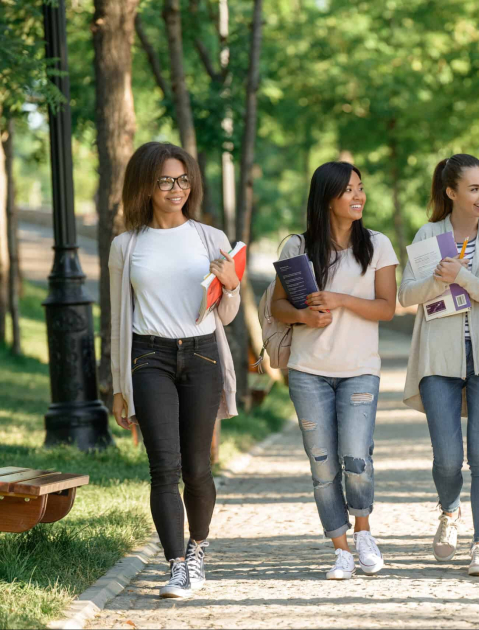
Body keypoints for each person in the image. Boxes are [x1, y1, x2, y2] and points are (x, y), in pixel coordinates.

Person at [109, 142, 241, 599]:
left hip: (202, 354)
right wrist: (118, 386)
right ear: (145, 186)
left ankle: (198, 548)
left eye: (183, 179)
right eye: (166, 180)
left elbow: (226, 315)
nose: (176, 188)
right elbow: (118, 318)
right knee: (163, 467)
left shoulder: (210, 238)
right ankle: (176, 565)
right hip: (149, 357)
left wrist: (231, 286)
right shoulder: (125, 247)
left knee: (198, 467)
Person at [270, 161, 398, 580]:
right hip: (308, 371)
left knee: (356, 456)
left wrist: (341, 299)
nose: (358, 196)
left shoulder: (377, 245)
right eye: (348, 190)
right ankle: (340, 547)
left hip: (360, 369)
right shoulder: (296, 247)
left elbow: (386, 308)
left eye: (361, 188)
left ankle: (364, 532)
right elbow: (277, 308)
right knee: (322, 463)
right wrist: (305, 317)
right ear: (327, 198)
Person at [399, 154, 479, 577]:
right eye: (474, 188)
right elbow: (407, 295)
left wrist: (462, 276)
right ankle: (450, 510)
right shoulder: (429, 234)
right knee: (448, 458)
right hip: (437, 355)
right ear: (451, 193)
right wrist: (438, 280)